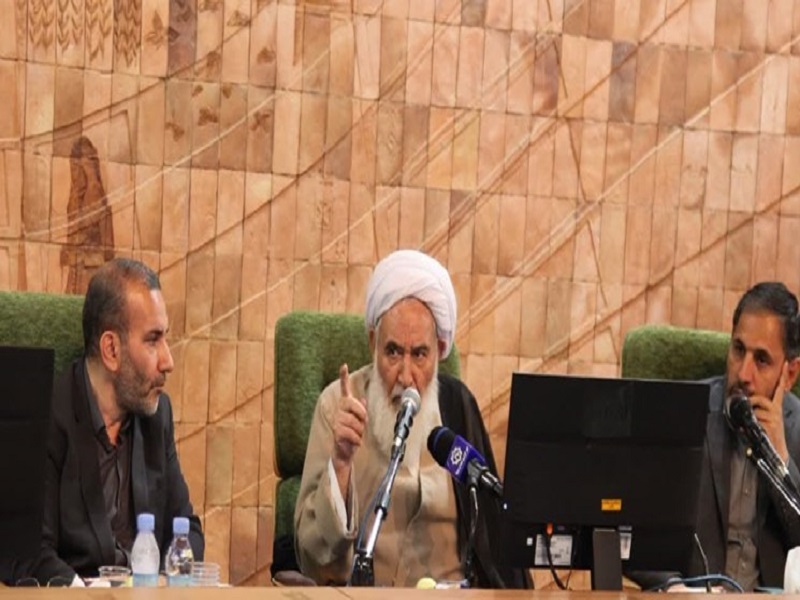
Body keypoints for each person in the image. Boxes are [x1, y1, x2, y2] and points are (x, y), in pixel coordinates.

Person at [294, 249, 530, 588]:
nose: (406, 376)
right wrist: (341, 463)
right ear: (373, 342)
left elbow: (494, 544)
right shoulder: (338, 405)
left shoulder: (457, 408)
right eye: (393, 352)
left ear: (440, 350)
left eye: (419, 354)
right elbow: (311, 556)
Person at [24, 258, 203, 585]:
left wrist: (164, 581)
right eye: (153, 340)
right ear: (111, 349)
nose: (168, 361)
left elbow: (187, 530)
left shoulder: (157, 416)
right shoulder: (48, 418)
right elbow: (33, 553)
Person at [637, 281, 800, 591]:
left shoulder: (797, 430)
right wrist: (673, 587)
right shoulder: (685, 414)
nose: (743, 374)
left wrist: (780, 459)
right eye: (738, 350)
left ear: (789, 374)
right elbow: (634, 530)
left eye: (761, 360)